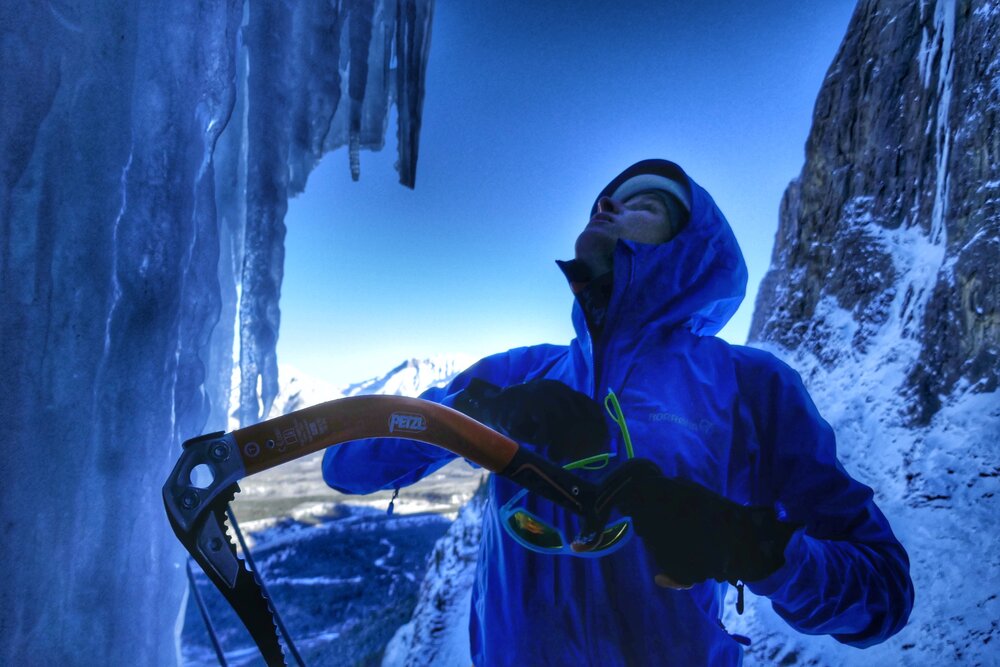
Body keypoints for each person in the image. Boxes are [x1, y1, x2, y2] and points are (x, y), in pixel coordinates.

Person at [322, 159, 914, 665]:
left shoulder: (751, 386)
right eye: (606, 198)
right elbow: (347, 464)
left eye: (646, 203)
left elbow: (884, 593)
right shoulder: (518, 372)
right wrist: (478, 412)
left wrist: (756, 550)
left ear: (688, 250)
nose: (607, 203)